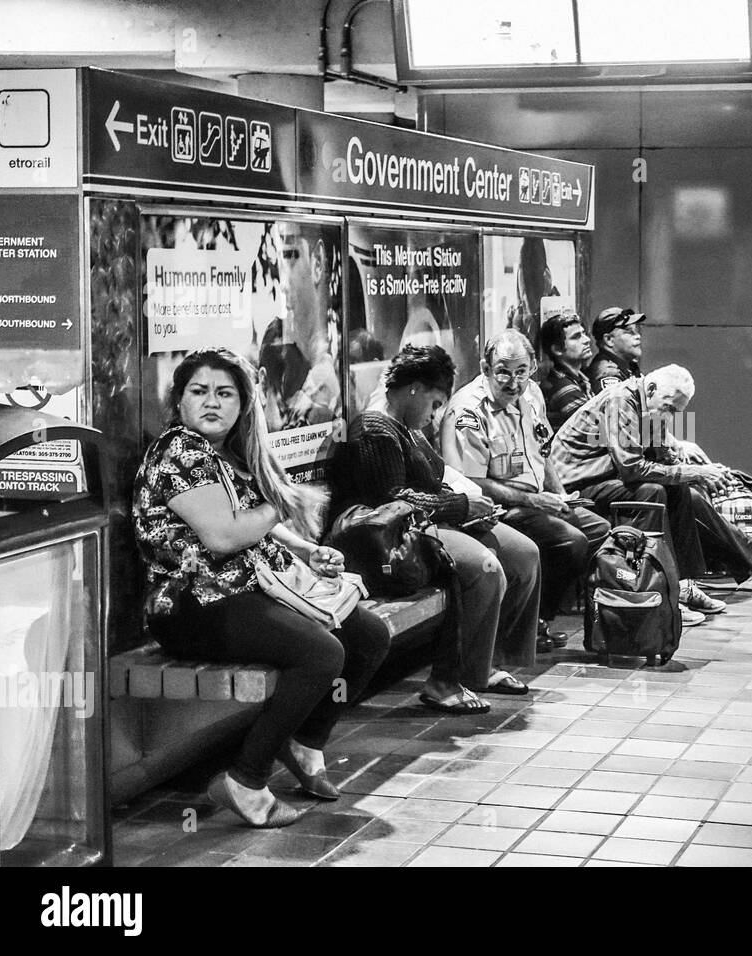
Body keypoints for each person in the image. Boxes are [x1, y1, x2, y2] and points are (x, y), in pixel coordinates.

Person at [133, 347, 391, 828]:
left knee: (368, 636)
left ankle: (305, 742)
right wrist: (284, 501)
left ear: (243, 403)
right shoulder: (180, 451)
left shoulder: (224, 451)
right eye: (199, 391)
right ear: (179, 400)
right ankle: (245, 781)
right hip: (192, 605)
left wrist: (305, 550)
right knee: (321, 654)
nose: (212, 402)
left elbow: (255, 521)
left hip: (246, 588)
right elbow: (225, 534)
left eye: (225, 393)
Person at [328, 344, 541, 704]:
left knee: (524, 554)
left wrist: (472, 506)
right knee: (486, 568)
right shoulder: (374, 429)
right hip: (392, 537)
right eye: (436, 403)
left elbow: (434, 479)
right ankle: (449, 680)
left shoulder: (409, 426)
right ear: (414, 390)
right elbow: (394, 501)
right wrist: (461, 506)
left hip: (428, 521)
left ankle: (489, 661)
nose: (435, 414)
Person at [550, 366, 752, 616]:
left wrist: (699, 471)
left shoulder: (649, 405)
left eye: (676, 412)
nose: (670, 416)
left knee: (685, 493)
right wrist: (693, 473)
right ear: (651, 389)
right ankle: (683, 585)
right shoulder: (623, 399)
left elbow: (661, 456)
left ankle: (694, 581)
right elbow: (632, 468)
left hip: (608, 478)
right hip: (576, 488)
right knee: (653, 492)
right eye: (668, 408)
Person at [440, 330, 610, 651]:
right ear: (485, 368)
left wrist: (559, 496)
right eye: (503, 370)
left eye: (522, 371)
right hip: (493, 510)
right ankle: (525, 626)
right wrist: (535, 500)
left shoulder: (532, 393)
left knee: (599, 529)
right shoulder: (469, 411)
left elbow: (541, 452)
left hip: (535, 500)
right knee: (570, 541)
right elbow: (472, 484)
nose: (513, 382)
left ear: (532, 367)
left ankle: (546, 617)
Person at [259, 221, 340, 429]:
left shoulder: (326, 381)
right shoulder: (284, 347)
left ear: (317, 263)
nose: (283, 285)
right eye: (280, 262)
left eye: (290, 257)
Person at [539, 310, 594, 431]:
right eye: (576, 337)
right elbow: (595, 435)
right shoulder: (563, 388)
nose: (587, 340)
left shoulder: (577, 379)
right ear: (557, 349)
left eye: (584, 334)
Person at [587, 306, 644, 394]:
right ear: (609, 339)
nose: (638, 336)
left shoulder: (628, 364)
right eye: (629, 331)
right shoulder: (608, 373)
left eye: (636, 330)